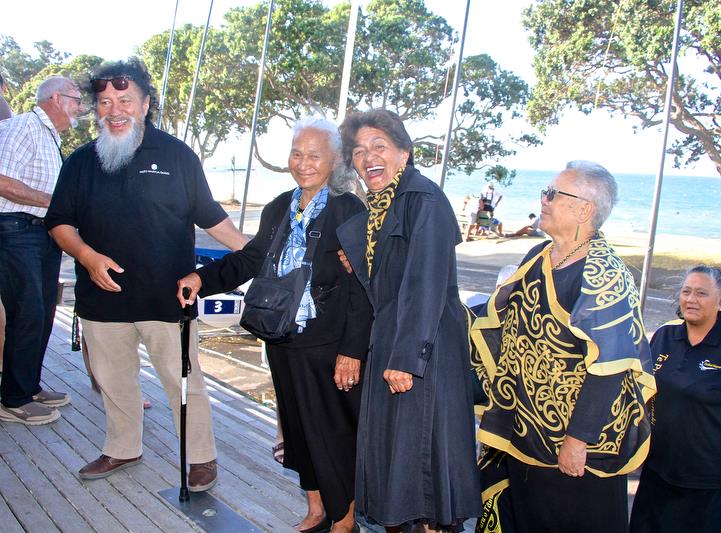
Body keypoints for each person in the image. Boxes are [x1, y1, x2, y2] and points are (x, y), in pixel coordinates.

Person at [45, 58, 248, 489]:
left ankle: (200, 457)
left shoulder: (177, 155)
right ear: (96, 108)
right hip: (102, 297)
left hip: (167, 297)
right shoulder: (80, 162)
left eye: (125, 100)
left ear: (146, 103)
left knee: (183, 382)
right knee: (114, 383)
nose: (115, 109)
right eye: (105, 101)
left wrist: (262, 251)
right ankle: (121, 447)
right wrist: (87, 256)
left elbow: (214, 220)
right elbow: (59, 222)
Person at [179, 118, 372, 533]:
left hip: (331, 342)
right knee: (300, 431)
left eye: (314, 155)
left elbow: (361, 286)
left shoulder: (348, 209)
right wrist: (202, 279)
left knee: (336, 432)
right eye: (297, 153)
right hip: (281, 337)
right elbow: (250, 260)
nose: (303, 163)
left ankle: (346, 519)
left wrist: (353, 350)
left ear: (335, 160)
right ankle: (317, 510)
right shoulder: (279, 206)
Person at [470, 161, 655, 533]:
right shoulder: (538, 256)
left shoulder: (606, 274)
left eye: (554, 194)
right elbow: (496, 319)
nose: (544, 200)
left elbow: (611, 365)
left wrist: (577, 440)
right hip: (525, 433)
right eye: (545, 192)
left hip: (579, 449)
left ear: (584, 209)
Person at [337, 109, 481, 532]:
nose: (368, 157)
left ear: (404, 152)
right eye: (359, 150)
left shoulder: (424, 200)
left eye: (379, 146)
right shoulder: (381, 208)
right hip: (393, 344)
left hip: (425, 352)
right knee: (396, 465)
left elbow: (425, 283)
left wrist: (406, 358)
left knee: (425, 468)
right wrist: (361, 261)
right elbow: (387, 281)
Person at [630, 265, 721, 533]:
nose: (691, 299)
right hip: (660, 470)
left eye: (701, 293)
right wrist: (638, 446)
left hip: (712, 481)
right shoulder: (665, 334)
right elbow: (645, 394)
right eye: (686, 292)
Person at [0, 76, 83, 425]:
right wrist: (54, 203)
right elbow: (2, 181)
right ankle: (14, 399)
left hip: (41, 233)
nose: (80, 107)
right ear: (55, 98)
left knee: (43, 311)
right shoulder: (22, 127)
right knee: (28, 311)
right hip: (18, 230)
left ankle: (29, 386)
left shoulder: (49, 134)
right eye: (76, 99)